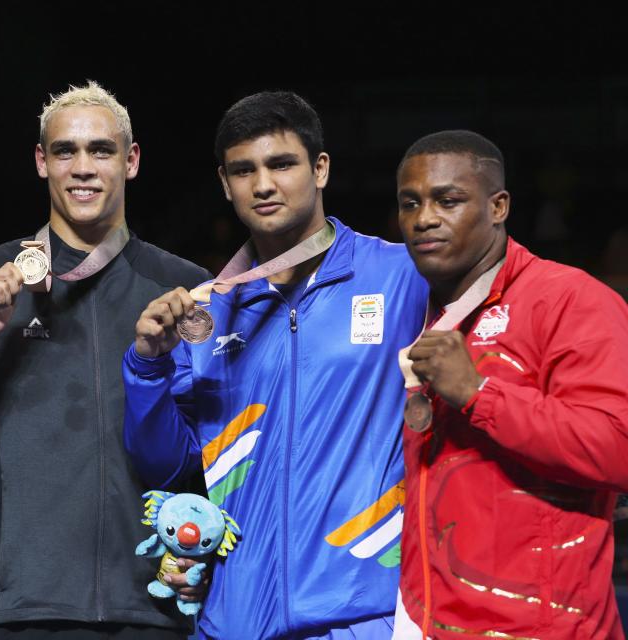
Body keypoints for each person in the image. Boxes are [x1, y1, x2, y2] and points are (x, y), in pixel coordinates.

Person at [0, 81, 210, 638]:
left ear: (131, 161)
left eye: (101, 150)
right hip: (9, 613)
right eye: (66, 150)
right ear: (42, 161)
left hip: (147, 612)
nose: (83, 167)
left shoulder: (185, 289)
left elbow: (214, 451)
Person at [123, 91, 429, 639]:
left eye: (281, 164)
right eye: (244, 170)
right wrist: (148, 365)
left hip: (365, 615)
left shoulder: (401, 278)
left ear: (320, 169)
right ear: (225, 183)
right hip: (235, 620)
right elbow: (167, 468)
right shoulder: (203, 312)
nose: (263, 184)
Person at [393, 130, 628, 639]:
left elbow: (618, 448)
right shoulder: (413, 311)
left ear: (498, 206)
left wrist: (479, 394)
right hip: (426, 618)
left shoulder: (570, 300)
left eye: (447, 200)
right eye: (409, 203)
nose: (423, 218)